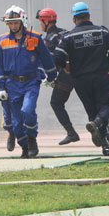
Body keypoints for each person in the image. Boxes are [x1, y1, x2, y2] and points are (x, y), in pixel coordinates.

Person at [54, 2, 109, 156]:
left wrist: (65, 67)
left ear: (74, 18)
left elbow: (57, 56)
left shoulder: (68, 36)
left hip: (80, 80)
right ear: (89, 16)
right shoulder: (102, 31)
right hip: (100, 76)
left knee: (92, 111)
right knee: (107, 106)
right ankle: (98, 123)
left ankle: (105, 145)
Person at [0, 5, 56, 158]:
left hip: (31, 82)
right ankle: (24, 147)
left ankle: (32, 139)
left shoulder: (35, 38)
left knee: (27, 111)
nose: (13, 26)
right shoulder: (1, 42)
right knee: (16, 123)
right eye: (10, 23)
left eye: (16, 22)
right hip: (12, 84)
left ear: (22, 21)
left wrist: (50, 76)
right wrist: (1, 87)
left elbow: (46, 59)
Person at [36, 8, 79, 145]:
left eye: (40, 21)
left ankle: (71, 132)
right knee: (87, 100)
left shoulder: (49, 38)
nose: (40, 24)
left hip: (66, 75)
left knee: (56, 103)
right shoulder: (65, 32)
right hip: (79, 71)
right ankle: (106, 130)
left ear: (46, 21)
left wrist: (51, 77)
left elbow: (52, 60)